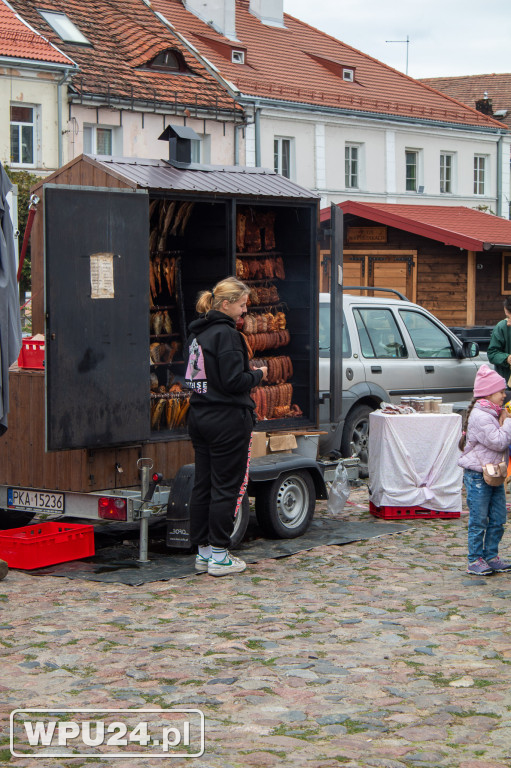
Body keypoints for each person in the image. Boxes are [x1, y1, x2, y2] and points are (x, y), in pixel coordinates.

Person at [184, 276, 267, 576]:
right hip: (227, 420)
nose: (245, 311)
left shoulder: (198, 336)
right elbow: (234, 382)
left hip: (200, 416)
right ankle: (220, 555)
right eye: (243, 305)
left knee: (203, 484)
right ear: (226, 304)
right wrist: (258, 375)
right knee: (225, 486)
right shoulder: (228, 336)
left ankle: (204, 552)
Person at [458, 364, 511, 575]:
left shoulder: (494, 413)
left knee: (498, 517)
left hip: (494, 473)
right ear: (488, 393)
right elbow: (498, 442)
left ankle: (491, 555)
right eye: (500, 391)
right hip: (478, 475)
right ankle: (474, 559)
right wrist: (508, 424)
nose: (504, 394)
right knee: (479, 519)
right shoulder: (480, 416)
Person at [487, 296, 511, 384]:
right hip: (506, 385)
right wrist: (507, 358)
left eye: (509, 317)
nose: (508, 323)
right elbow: (492, 353)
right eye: (507, 317)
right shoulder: (501, 327)